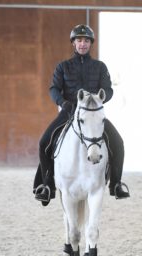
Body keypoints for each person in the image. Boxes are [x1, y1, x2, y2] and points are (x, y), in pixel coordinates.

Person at [33, 24, 130, 206]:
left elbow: (108, 89)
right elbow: (54, 88)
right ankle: (46, 186)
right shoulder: (63, 66)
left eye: (86, 41)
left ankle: (116, 184)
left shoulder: (100, 67)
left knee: (118, 142)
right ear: (74, 43)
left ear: (90, 44)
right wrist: (63, 102)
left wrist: (101, 98)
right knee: (44, 142)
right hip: (69, 112)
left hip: (92, 115)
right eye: (79, 40)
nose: (82, 44)